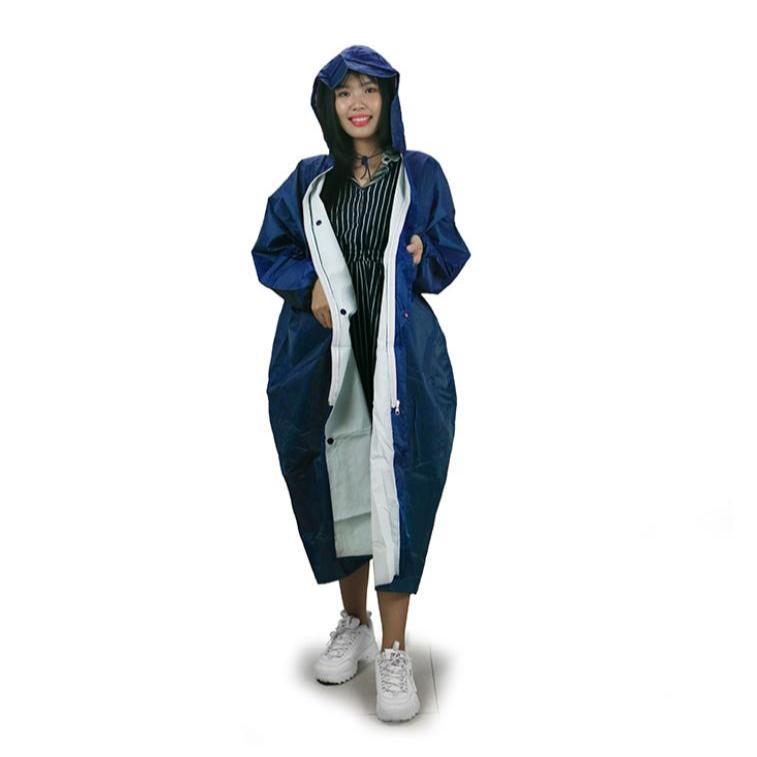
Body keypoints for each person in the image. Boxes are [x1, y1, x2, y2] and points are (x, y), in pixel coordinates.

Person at [251, 45, 471, 722]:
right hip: (325, 358)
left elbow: (448, 251)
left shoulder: (420, 174)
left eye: (369, 90)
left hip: (402, 357)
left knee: (398, 489)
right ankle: (355, 622)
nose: (357, 103)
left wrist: (422, 253)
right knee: (337, 479)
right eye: (343, 91)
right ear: (328, 103)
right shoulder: (308, 180)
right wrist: (308, 284)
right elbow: (271, 249)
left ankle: (396, 649)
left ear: (387, 99)